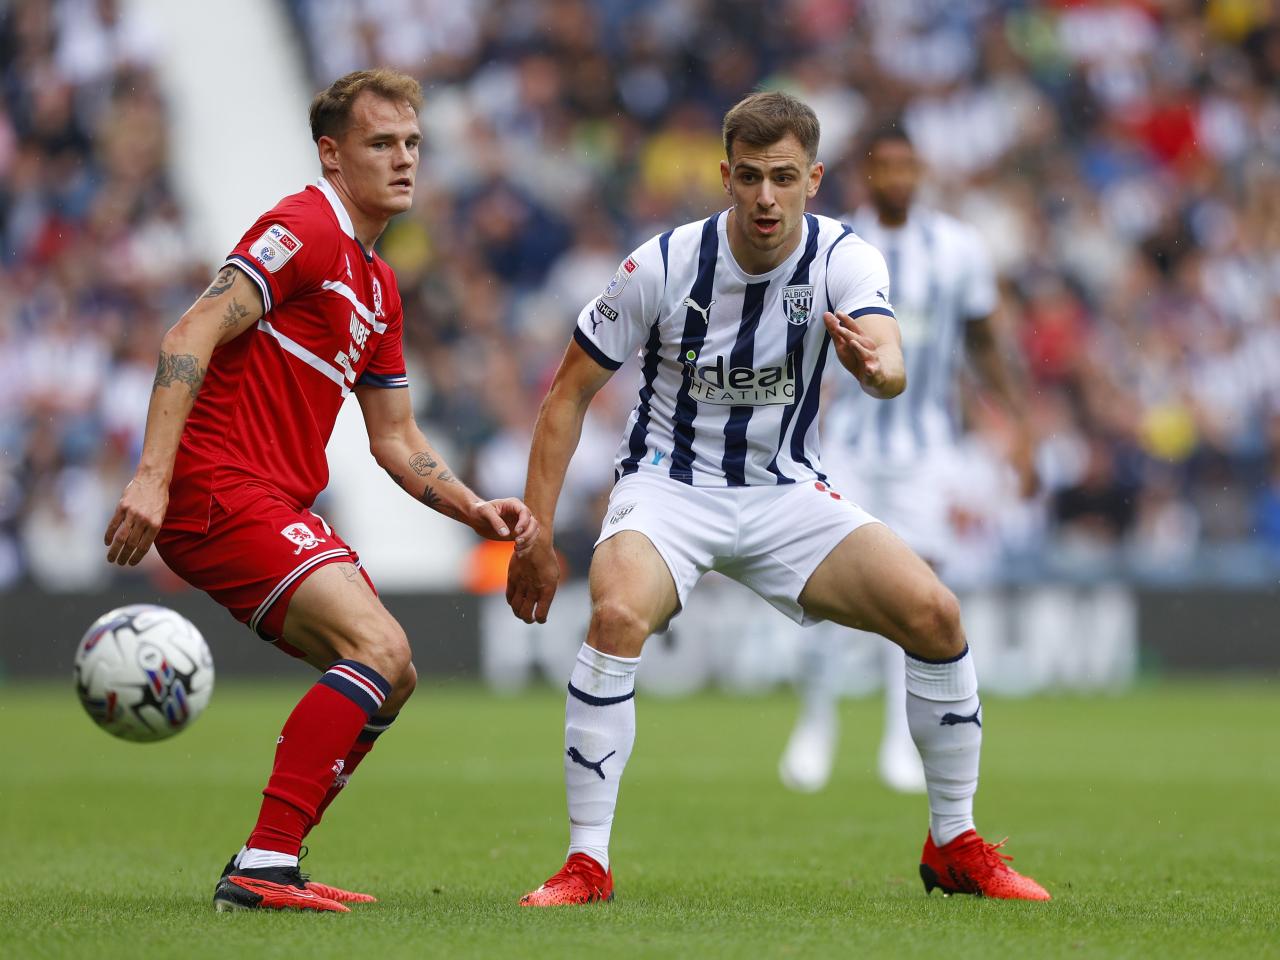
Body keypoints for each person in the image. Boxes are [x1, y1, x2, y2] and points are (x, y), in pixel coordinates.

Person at [506, 91, 1049, 905]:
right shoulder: (660, 265)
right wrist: (536, 534)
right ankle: (587, 862)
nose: (766, 197)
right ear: (725, 175)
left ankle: (954, 844)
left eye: (784, 178)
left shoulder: (846, 256)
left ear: (815, 179)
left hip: (787, 491)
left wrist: (881, 371)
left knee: (935, 615)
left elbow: (891, 354)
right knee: (616, 616)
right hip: (670, 488)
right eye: (751, 177)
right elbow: (565, 397)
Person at [103, 69, 536, 913]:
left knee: (393, 671)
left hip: (272, 500)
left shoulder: (377, 285)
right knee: (376, 648)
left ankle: (273, 860)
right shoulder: (302, 227)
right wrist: (152, 477)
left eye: (413, 143)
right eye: (382, 144)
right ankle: (261, 867)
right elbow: (190, 329)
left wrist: (473, 507)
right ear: (333, 154)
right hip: (215, 488)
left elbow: (398, 439)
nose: (404, 159)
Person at [779, 124, 1038, 795]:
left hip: (927, 449)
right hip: (846, 445)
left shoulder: (956, 248)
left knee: (919, 592)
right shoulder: (833, 244)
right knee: (825, 589)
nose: (897, 177)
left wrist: (1020, 426)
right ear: (866, 173)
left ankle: (900, 738)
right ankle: (817, 725)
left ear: (921, 170)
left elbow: (984, 342)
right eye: (884, 166)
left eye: (907, 165)